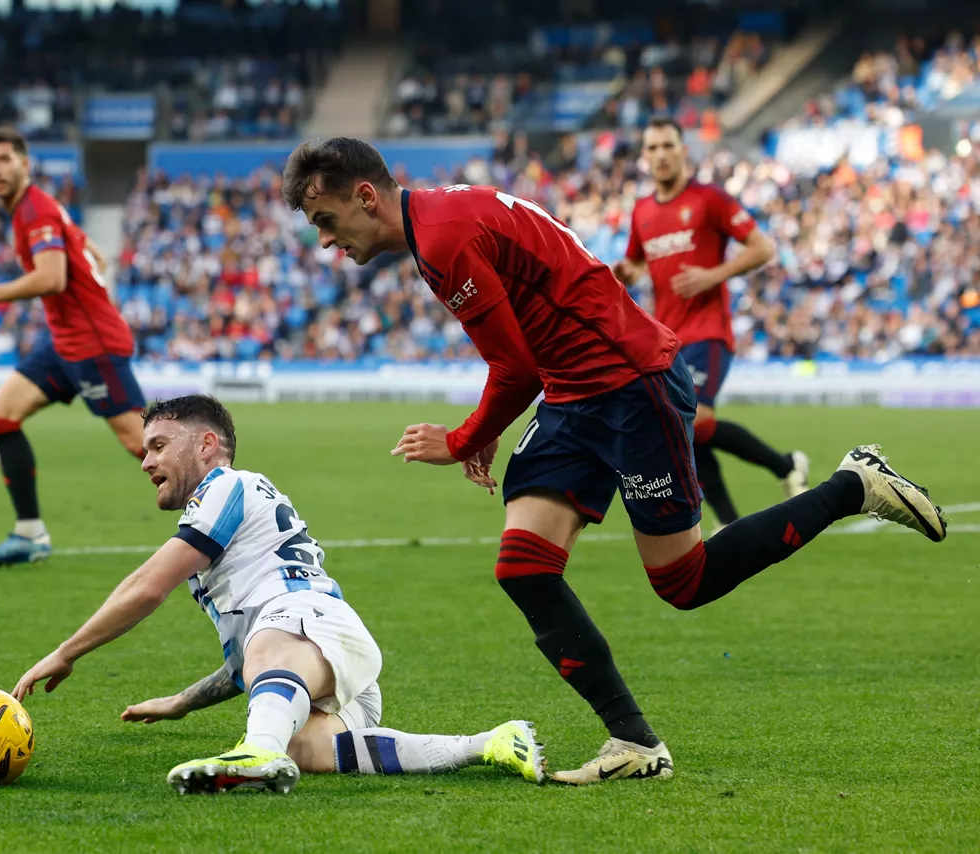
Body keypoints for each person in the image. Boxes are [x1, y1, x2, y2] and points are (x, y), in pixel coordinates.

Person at [280, 137, 947, 785]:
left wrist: (459, 439)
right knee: (524, 567)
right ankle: (634, 741)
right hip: (575, 394)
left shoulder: (445, 239)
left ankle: (851, 485)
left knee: (684, 581)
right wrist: (487, 426)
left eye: (325, 221)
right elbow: (519, 352)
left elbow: (515, 368)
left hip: (630, 383)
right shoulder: (439, 220)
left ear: (365, 196)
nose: (326, 241)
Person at [12, 394, 546, 793]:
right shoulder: (240, 525)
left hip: (311, 625)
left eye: (157, 446)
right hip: (327, 654)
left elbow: (148, 586)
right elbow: (253, 664)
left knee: (269, 673)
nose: (145, 461)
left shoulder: (224, 486)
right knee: (305, 747)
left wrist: (65, 653)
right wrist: (181, 703)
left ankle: (256, 754)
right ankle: (491, 742)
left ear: (205, 445)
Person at [0, 127, 145, 567]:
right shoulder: (39, 205)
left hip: (93, 344)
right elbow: (94, 254)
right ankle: (30, 534)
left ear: (25, 163)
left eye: (4, 159)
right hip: (65, 343)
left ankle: (237, 517)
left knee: (146, 445)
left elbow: (53, 277)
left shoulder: (33, 210)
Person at [613, 118, 808, 530]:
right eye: (653, 148)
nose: (661, 154)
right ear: (644, 157)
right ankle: (732, 523)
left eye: (669, 145)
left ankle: (784, 465)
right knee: (686, 431)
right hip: (666, 340)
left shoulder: (710, 200)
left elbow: (763, 247)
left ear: (684, 150)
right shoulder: (642, 212)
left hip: (708, 332)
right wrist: (628, 273)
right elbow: (635, 262)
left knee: (694, 419)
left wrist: (713, 274)